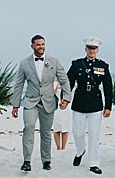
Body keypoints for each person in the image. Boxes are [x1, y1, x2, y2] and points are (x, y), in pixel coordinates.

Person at [11, 35, 71, 171]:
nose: (41, 47)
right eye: (38, 44)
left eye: (43, 44)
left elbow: (64, 80)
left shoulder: (54, 62)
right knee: (29, 126)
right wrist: (15, 105)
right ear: (32, 46)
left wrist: (66, 98)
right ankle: (27, 160)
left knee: (46, 132)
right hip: (30, 101)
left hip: (48, 101)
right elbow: (19, 85)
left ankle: (46, 160)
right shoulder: (24, 63)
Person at [66, 37, 113, 175]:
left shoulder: (103, 66)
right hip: (79, 103)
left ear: (97, 50)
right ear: (85, 49)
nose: (92, 51)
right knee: (78, 133)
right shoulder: (77, 64)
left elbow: (108, 87)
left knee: (94, 135)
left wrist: (108, 106)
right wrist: (65, 99)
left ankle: (94, 163)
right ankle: (80, 151)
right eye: (89, 48)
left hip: (95, 104)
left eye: (94, 49)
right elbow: (69, 83)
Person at [52, 81, 72, 150]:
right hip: (56, 107)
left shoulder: (66, 84)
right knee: (56, 128)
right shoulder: (53, 83)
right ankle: (58, 146)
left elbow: (69, 94)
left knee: (65, 128)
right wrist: (57, 87)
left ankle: (63, 147)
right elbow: (51, 94)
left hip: (66, 108)